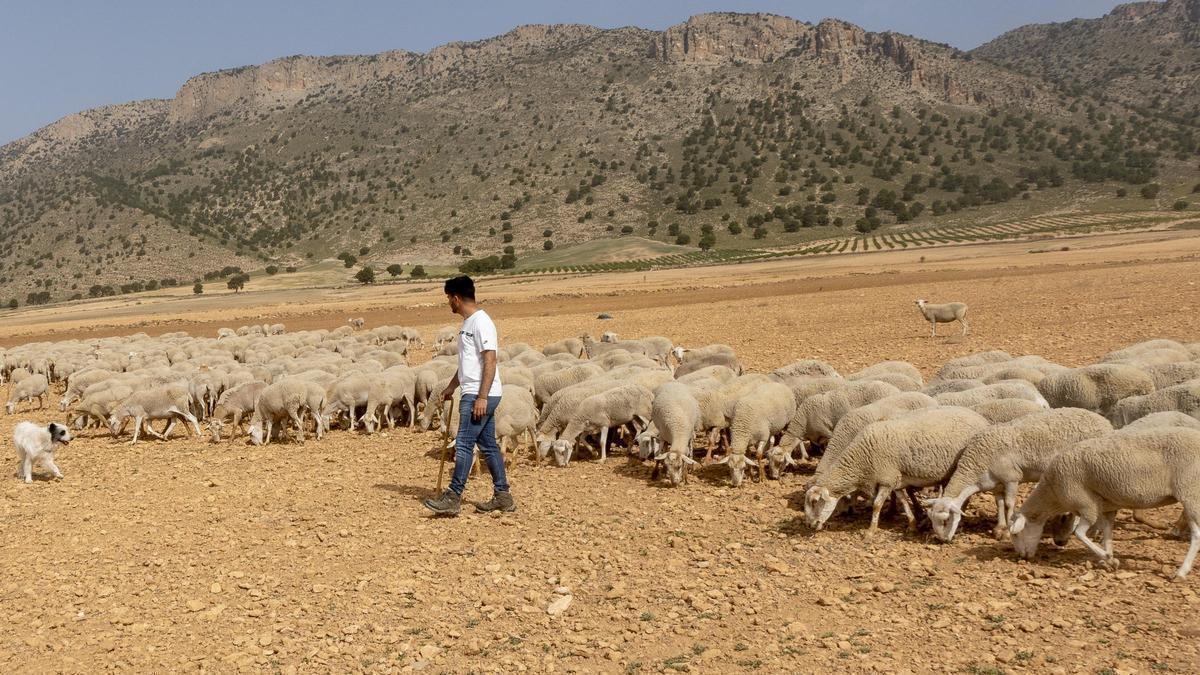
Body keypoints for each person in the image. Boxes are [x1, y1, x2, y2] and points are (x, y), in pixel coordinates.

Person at [423, 275, 516, 516]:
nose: (448, 304)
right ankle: (503, 496)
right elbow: (468, 363)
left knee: (463, 443)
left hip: (479, 393)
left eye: (448, 299)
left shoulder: (481, 322)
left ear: (456, 298)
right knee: (488, 445)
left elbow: (490, 359)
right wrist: (452, 386)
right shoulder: (468, 324)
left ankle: (453, 497)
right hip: (473, 390)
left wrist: (482, 397)